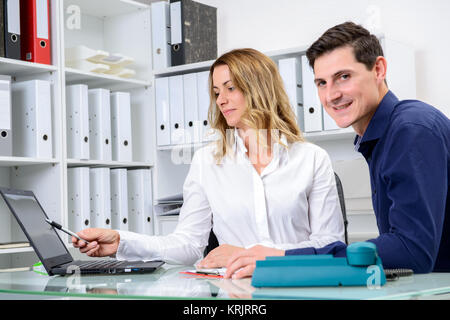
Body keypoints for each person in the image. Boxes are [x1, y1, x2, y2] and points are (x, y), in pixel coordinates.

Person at [72, 48, 344, 266]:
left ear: (260, 88)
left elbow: (331, 245)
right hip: (235, 293)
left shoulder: (311, 159)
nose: (221, 100)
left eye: (231, 88)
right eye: (216, 92)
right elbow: (188, 244)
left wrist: (253, 254)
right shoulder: (207, 162)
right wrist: (122, 242)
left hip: (300, 288)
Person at [225, 22, 450, 279]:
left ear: (378, 69)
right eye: (321, 83)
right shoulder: (383, 135)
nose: (331, 95)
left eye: (344, 77)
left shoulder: (410, 130)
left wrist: (283, 259)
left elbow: (412, 252)